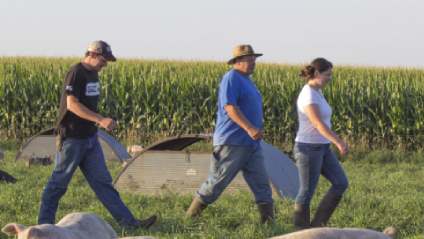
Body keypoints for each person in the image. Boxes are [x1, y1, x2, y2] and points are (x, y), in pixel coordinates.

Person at [38, 40, 157, 229]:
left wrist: (95, 124)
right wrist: (100, 119)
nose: (105, 64)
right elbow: (72, 104)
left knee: (104, 184)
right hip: (72, 138)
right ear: (92, 54)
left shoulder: (93, 74)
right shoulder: (76, 73)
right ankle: (43, 228)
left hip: (90, 139)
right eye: (103, 59)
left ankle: (130, 224)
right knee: (58, 184)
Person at [186, 45, 274, 224]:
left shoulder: (248, 81)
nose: (253, 63)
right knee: (218, 181)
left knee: (262, 184)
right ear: (237, 61)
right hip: (232, 141)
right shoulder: (231, 78)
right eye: (249, 60)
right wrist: (249, 128)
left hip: (251, 144)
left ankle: (269, 224)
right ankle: (189, 219)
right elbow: (230, 106)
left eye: (254, 60)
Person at [293, 58, 350, 230]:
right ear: (316, 73)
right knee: (306, 192)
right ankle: (301, 234)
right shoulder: (308, 94)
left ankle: (317, 226)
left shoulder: (317, 92)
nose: (330, 78)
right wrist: (339, 142)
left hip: (322, 147)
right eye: (327, 75)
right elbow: (318, 123)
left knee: (341, 182)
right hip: (308, 147)